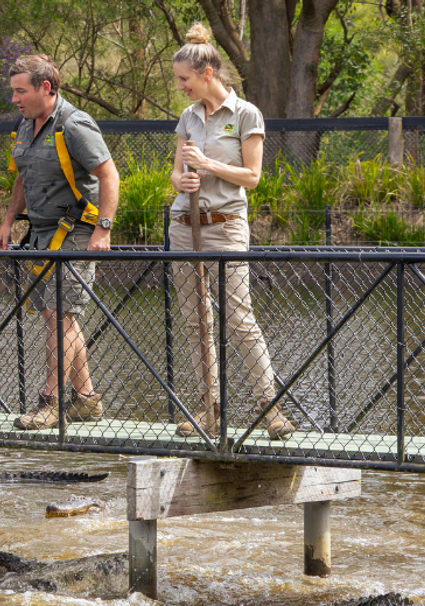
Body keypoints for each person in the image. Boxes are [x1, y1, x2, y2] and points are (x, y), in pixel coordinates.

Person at [169, 25, 295, 441]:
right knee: (196, 322)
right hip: (184, 228)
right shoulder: (188, 117)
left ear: (207, 73)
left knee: (239, 318)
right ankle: (210, 411)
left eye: (184, 79)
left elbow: (252, 176)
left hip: (226, 227)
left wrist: (207, 166)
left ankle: (270, 407)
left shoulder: (246, 114)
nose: (180, 87)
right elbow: (177, 171)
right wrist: (181, 181)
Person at [0, 54, 118, 431]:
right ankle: (87, 399)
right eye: (13, 91)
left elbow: (109, 176)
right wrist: (8, 219)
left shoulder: (74, 124)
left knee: (61, 316)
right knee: (55, 315)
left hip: (78, 229)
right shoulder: (27, 126)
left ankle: (51, 402)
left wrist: (104, 229)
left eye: (20, 91)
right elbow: (23, 177)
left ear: (45, 88)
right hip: (43, 233)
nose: (14, 98)